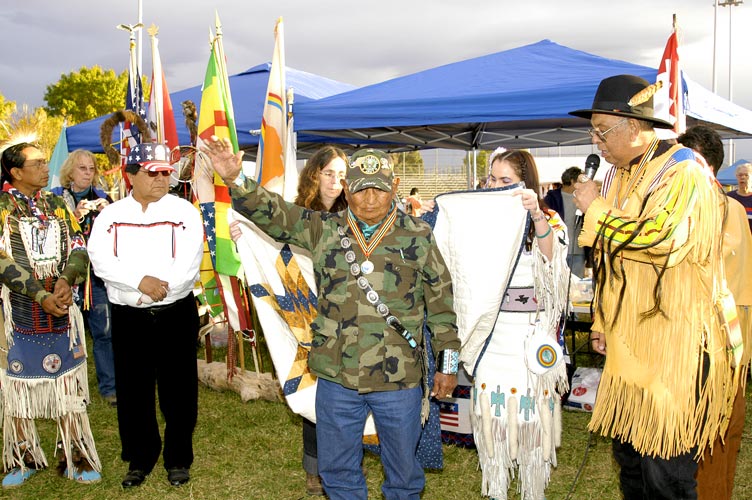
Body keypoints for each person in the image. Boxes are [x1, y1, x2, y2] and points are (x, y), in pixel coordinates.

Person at [203, 139, 460, 500]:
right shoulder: (324, 228)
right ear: (346, 187)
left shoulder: (417, 235)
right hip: (337, 377)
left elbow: (442, 306)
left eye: (379, 190)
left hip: (397, 378)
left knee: (403, 473)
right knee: (337, 470)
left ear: (395, 187)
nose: (370, 199)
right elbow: (275, 214)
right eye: (360, 190)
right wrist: (236, 179)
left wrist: (448, 367)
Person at [570, 75, 734, 499]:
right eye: (593, 131)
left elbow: (663, 240)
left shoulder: (684, 171)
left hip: (673, 345)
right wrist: (602, 322)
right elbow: (611, 261)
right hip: (630, 342)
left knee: (665, 469)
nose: (596, 141)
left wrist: (597, 210)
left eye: (602, 131)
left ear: (635, 127)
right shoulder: (622, 175)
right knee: (631, 461)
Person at [87, 142, 204, 488]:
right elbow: (101, 258)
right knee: (133, 389)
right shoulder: (109, 215)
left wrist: (162, 287)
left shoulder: (184, 212)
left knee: (179, 390)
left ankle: (178, 459)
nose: (162, 179)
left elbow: (189, 260)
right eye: (153, 173)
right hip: (129, 316)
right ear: (131, 175)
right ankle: (140, 458)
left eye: (166, 172)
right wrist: (140, 282)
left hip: (175, 312)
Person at [468, 148, 569, 500]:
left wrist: (537, 216)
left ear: (526, 183)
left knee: (531, 426)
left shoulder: (549, 219)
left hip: (529, 339)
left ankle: (531, 492)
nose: (496, 186)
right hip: (492, 341)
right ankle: (496, 491)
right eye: (492, 179)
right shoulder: (483, 222)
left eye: (505, 180)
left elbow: (552, 260)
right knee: (491, 424)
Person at [0, 142, 101, 487]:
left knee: (69, 383)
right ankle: (21, 455)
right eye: (38, 163)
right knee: (14, 387)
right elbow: (2, 259)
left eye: (45, 162)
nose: (46, 168)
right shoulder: (2, 208)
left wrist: (65, 279)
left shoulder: (58, 204)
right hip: (17, 315)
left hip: (60, 309)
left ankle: (74, 452)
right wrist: (38, 293)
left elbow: (78, 245)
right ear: (15, 172)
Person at [678, 125, 752, 500]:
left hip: (715, 348)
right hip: (720, 348)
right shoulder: (722, 207)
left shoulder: (718, 210)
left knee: (714, 445)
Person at [293, 145, 347, 496]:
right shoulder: (297, 214)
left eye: (342, 176)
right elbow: (273, 249)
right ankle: (315, 468)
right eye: (329, 173)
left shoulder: (354, 213)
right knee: (314, 393)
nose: (336, 182)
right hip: (305, 317)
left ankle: (344, 461)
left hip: (346, 319)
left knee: (344, 396)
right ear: (315, 174)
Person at [50, 149, 116, 406]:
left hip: (97, 277)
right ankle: (68, 387)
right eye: (82, 168)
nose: (87, 173)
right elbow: (51, 233)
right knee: (67, 332)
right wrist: (74, 216)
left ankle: (109, 388)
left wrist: (109, 213)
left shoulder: (103, 197)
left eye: (91, 169)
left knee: (105, 332)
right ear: (70, 170)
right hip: (66, 276)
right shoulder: (54, 198)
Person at [544, 166, 589, 277]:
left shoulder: (584, 199)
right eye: (580, 181)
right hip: (558, 251)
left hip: (578, 251)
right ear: (573, 181)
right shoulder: (551, 199)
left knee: (577, 289)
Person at [727, 162, 751, 233]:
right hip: (734, 240)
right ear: (736, 177)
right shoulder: (729, 197)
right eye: (740, 175)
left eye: (746, 175)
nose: (743, 177)